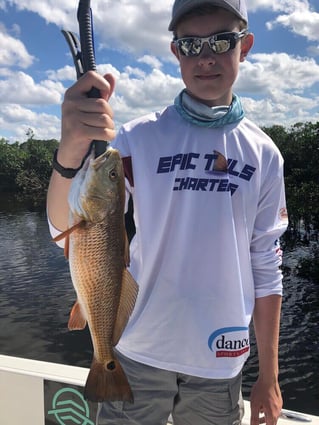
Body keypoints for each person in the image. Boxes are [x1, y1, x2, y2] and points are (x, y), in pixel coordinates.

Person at [47, 0, 288, 424]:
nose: (207, 56)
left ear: (245, 46)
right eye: (191, 44)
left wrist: (268, 374)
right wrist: (70, 151)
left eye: (221, 41)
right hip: (136, 347)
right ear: (175, 52)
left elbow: (266, 266)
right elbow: (64, 227)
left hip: (220, 360)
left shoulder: (265, 154)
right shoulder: (137, 138)